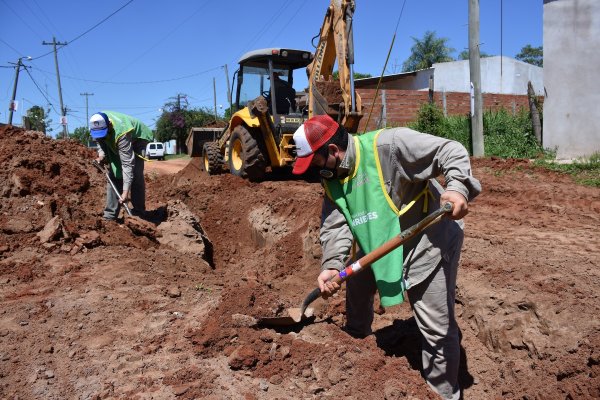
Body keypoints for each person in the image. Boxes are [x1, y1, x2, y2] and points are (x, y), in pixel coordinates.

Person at [292, 114, 481, 400]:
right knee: (357, 286)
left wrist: (456, 187)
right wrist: (331, 266)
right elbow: (335, 226)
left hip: (427, 238)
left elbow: (450, 150)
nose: (314, 172)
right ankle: (356, 349)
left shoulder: (389, 146)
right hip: (380, 236)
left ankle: (442, 393)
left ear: (332, 151)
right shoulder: (332, 177)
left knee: (436, 328)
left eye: (315, 163)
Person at [89, 111, 154, 220]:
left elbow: (127, 164)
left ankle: (139, 212)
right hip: (115, 136)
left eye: (103, 132)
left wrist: (125, 193)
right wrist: (101, 156)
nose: (101, 135)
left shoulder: (121, 132)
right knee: (114, 173)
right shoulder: (95, 125)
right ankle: (110, 215)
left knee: (135, 173)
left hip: (137, 140)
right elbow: (100, 142)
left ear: (109, 125)